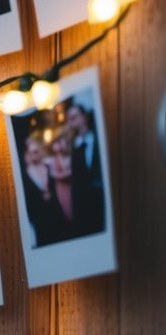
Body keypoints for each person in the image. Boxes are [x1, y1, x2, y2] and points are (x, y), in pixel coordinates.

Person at [21, 136, 70, 247]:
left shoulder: (48, 167)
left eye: (37, 151)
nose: (35, 154)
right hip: (41, 222)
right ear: (28, 154)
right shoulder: (25, 175)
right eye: (32, 152)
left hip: (57, 216)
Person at [66, 101, 105, 236]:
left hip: (102, 205)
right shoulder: (73, 148)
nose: (72, 122)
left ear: (84, 117)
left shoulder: (99, 138)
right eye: (69, 119)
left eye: (74, 117)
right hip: (84, 212)